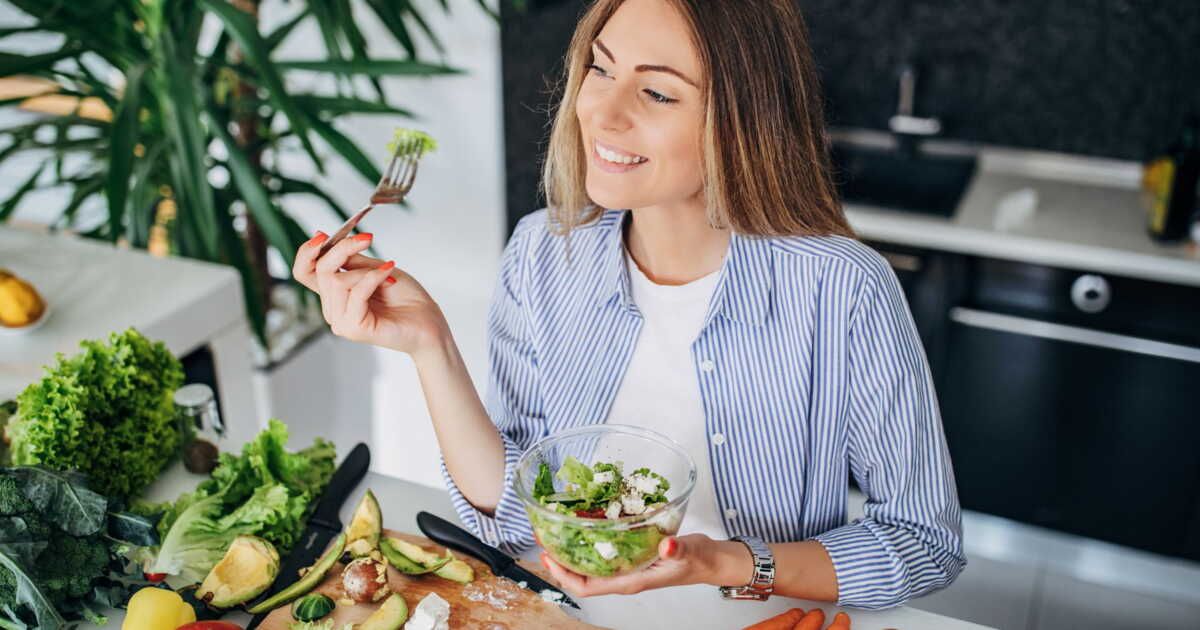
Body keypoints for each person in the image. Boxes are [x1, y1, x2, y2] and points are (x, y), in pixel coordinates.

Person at [292, 0, 964, 610]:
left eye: (657, 92)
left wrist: (721, 562)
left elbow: (922, 541)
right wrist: (429, 344)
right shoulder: (542, 251)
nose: (603, 113)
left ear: (743, 120)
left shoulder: (843, 288)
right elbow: (516, 514)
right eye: (601, 69)